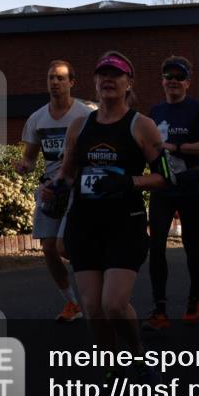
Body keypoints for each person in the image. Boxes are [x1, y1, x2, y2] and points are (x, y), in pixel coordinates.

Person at [42, 51, 171, 377]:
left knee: (113, 304)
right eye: (103, 74)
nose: (109, 80)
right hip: (84, 225)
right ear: (95, 82)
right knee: (94, 308)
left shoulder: (143, 126)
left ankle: (136, 351)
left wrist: (128, 181)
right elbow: (68, 174)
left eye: (117, 74)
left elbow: (165, 176)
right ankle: (110, 367)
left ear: (129, 83)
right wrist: (54, 188)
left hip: (124, 226)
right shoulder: (79, 126)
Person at [142, 56, 199, 331]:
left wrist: (177, 147)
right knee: (156, 244)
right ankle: (159, 308)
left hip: (191, 183)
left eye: (179, 76)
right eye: (168, 75)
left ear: (188, 81)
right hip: (163, 185)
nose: (173, 80)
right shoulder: (155, 111)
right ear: (162, 80)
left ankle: (195, 295)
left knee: (190, 243)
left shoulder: (198, 110)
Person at [15, 60, 92, 322]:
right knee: (48, 247)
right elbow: (30, 158)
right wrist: (23, 166)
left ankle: (99, 282)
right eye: (51, 78)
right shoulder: (37, 118)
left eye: (60, 78)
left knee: (64, 246)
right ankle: (72, 303)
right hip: (51, 189)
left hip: (79, 187)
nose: (55, 83)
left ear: (72, 82)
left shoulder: (85, 115)